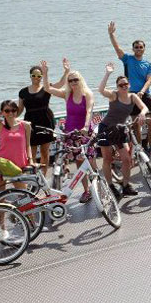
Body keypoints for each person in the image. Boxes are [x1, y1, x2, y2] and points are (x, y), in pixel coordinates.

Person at [41, 58, 96, 203]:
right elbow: (48, 89)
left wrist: (85, 126)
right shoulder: (67, 94)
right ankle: (86, 191)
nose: (73, 83)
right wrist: (45, 74)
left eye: (75, 80)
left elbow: (89, 111)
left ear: (80, 80)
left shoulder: (87, 94)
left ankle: (99, 188)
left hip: (84, 132)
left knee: (91, 162)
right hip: (71, 133)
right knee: (79, 163)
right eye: (70, 81)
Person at [97, 63, 148, 196]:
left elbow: (144, 107)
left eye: (126, 84)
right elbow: (101, 90)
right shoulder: (114, 95)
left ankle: (125, 185)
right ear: (117, 87)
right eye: (121, 85)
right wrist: (107, 73)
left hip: (120, 129)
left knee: (126, 159)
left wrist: (142, 113)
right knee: (107, 159)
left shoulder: (133, 96)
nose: (124, 87)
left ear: (129, 85)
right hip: (106, 128)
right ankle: (110, 186)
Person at [107, 21, 151, 148]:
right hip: (131, 95)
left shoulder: (148, 64)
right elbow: (117, 49)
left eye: (141, 47)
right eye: (136, 47)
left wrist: (143, 91)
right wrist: (111, 35)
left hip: (144, 94)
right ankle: (139, 149)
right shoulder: (128, 59)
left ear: (144, 49)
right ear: (133, 49)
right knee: (135, 124)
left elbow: (149, 80)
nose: (139, 49)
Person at [18, 63, 61, 174]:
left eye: (39, 76)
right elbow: (19, 110)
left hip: (46, 121)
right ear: (30, 76)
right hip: (30, 123)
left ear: (42, 77)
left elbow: (60, 84)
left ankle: (43, 178)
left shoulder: (46, 87)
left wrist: (66, 71)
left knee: (44, 152)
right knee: (30, 152)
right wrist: (6, 115)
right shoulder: (23, 92)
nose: (36, 78)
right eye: (34, 76)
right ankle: (32, 178)